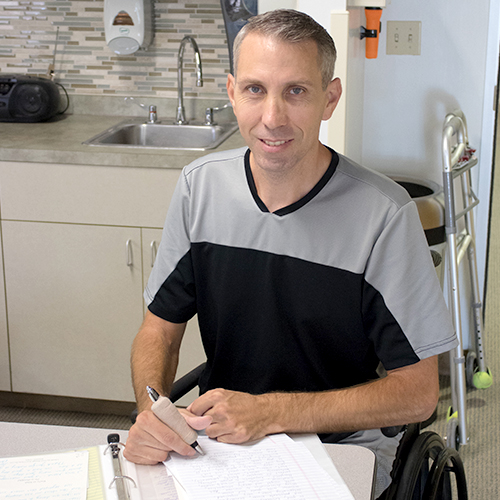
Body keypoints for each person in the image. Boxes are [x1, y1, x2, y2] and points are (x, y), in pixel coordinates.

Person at [124, 9, 457, 497]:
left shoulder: (384, 214)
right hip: (222, 441)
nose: (272, 117)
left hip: (338, 446)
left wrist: (273, 413)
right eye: (256, 89)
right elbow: (159, 330)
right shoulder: (201, 188)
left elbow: (417, 394)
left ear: (330, 98)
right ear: (233, 92)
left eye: (296, 91)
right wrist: (151, 412)